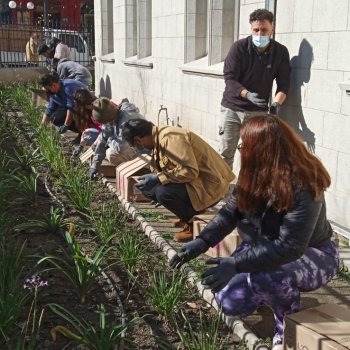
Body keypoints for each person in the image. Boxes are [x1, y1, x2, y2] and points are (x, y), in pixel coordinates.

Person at [170, 115, 339, 349]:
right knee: (229, 303)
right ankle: (268, 292)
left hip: (312, 254)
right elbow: (229, 214)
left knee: (267, 276)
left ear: (263, 150)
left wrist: (237, 264)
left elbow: (290, 246)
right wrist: (202, 242)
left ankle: (285, 325)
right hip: (264, 247)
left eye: (244, 145)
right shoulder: (255, 175)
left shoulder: (304, 184)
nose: (240, 149)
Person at [122, 119, 235, 242]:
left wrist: (158, 179)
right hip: (196, 182)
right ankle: (187, 214)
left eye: (134, 145)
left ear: (138, 140)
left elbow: (190, 171)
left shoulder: (170, 139)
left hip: (211, 185)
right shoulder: (158, 139)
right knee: (150, 188)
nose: (137, 148)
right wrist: (156, 180)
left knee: (162, 192)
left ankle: (192, 225)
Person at [219, 8, 290, 167]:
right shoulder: (238, 48)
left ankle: (244, 191)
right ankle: (223, 191)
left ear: (272, 28)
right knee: (225, 155)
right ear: (251, 29)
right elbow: (229, 78)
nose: (259, 34)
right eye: (256, 30)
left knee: (254, 158)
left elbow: (284, 85)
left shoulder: (280, 52)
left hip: (257, 112)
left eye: (264, 30)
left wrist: (276, 103)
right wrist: (246, 94)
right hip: (232, 109)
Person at [88, 97, 144, 179]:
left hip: (145, 150)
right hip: (133, 148)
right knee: (106, 148)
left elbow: (122, 147)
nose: (105, 124)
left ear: (110, 119)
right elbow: (103, 139)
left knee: (111, 153)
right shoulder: (111, 116)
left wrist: (110, 139)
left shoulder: (127, 121)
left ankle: (143, 167)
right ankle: (132, 165)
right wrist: (94, 166)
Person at [39, 73, 86, 139]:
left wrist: (66, 125)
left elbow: (71, 108)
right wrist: (41, 128)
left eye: (48, 89)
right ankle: (79, 130)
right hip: (69, 106)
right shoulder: (54, 92)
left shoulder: (68, 87)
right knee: (56, 118)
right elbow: (49, 110)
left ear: (53, 85)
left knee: (76, 115)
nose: (48, 91)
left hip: (84, 106)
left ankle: (83, 133)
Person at [71, 89, 102, 156]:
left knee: (89, 134)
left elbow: (107, 130)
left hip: (106, 136)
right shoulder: (86, 112)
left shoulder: (100, 109)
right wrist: (81, 146)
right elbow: (85, 132)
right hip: (100, 135)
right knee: (87, 133)